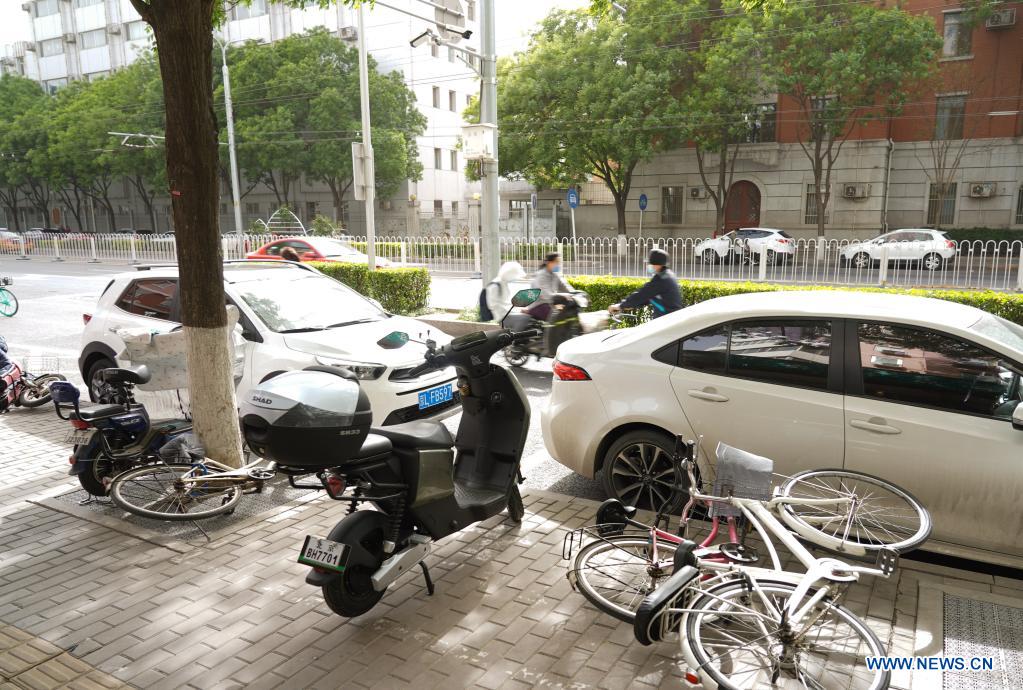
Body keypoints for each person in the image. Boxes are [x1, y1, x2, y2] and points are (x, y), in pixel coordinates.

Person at [609, 249, 683, 319]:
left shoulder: (661, 279)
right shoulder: (668, 275)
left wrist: (620, 306)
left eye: (651, 263)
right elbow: (648, 297)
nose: (649, 265)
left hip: (666, 321)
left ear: (657, 264)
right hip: (671, 319)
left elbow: (642, 295)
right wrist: (626, 306)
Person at [527, 252, 573, 321]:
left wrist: (575, 293)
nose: (558, 265)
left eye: (559, 263)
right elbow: (545, 295)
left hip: (550, 303)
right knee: (558, 318)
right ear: (549, 263)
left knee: (571, 311)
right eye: (556, 262)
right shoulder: (541, 275)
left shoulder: (555, 275)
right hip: (538, 305)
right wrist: (562, 295)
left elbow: (565, 287)